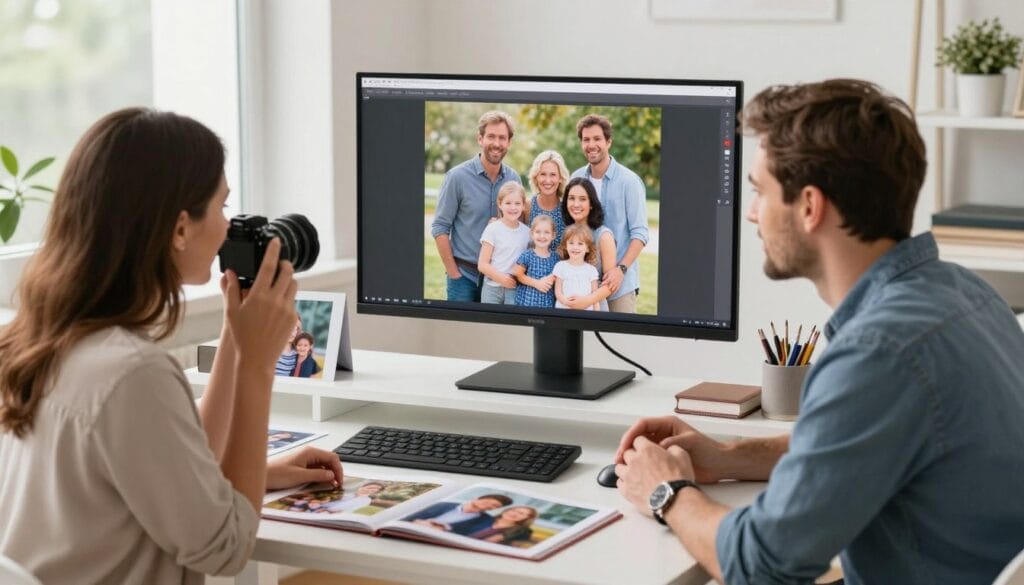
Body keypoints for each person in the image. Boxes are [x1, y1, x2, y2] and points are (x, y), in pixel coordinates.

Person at [613, 79, 1024, 585]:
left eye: (760, 192)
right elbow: (860, 445)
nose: (750, 213)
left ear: (810, 206)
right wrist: (727, 457)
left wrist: (667, 492)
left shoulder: (878, 352)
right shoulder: (966, 293)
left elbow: (762, 565)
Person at [0, 108, 344, 585]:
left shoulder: (40, 339)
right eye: (222, 207)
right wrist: (258, 368)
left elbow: (162, 464)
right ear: (180, 228)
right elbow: (225, 548)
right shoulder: (132, 373)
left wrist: (236, 333)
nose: (228, 227)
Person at [431, 111, 522, 302]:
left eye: (502, 138)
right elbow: (440, 228)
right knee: (462, 331)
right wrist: (453, 273)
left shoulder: (514, 179)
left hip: (500, 280)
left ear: (509, 143)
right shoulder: (457, 177)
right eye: (491, 136)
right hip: (464, 277)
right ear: (480, 139)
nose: (496, 143)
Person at [570, 114, 649, 313]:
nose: (591, 144)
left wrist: (620, 270)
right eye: (586, 139)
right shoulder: (576, 177)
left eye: (597, 139)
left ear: (608, 142)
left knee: (618, 340)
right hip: (582, 284)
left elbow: (640, 233)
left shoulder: (629, 182)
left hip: (618, 285)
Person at [403, 494, 513, 536]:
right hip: (410, 528)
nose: (489, 506)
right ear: (478, 498)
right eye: (489, 501)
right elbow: (409, 516)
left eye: (495, 506)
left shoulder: (486, 520)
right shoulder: (443, 504)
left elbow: (469, 535)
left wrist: (444, 528)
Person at [526, 150, 571, 251]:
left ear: (560, 178)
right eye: (543, 174)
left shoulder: (567, 209)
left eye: (553, 175)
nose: (547, 180)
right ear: (536, 177)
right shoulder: (527, 206)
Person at [552, 224, 602, 312]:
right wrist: (566, 301)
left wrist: (596, 314)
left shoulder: (591, 270)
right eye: (571, 243)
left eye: (580, 244)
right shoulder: (560, 266)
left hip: (586, 314)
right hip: (564, 311)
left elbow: (595, 296)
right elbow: (558, 291)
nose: (575, 247)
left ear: (587, 248)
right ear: (565, 246)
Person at [513, 215, 559, 308]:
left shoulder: (556, 258)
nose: (542, 236)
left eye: (547, 232)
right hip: (526, 303)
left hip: (547, 304)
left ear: (553, 235)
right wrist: (537, 283)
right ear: (532, 234)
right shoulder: (527, 255)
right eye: (538, 232)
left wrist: (552, 277)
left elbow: (558, 277)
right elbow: (518, 274)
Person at [468, 505, 538, 546]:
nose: (514, 514)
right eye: (513, 510)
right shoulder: (483, 518)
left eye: (521, 513)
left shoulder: (523, 532)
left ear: (527, 518)